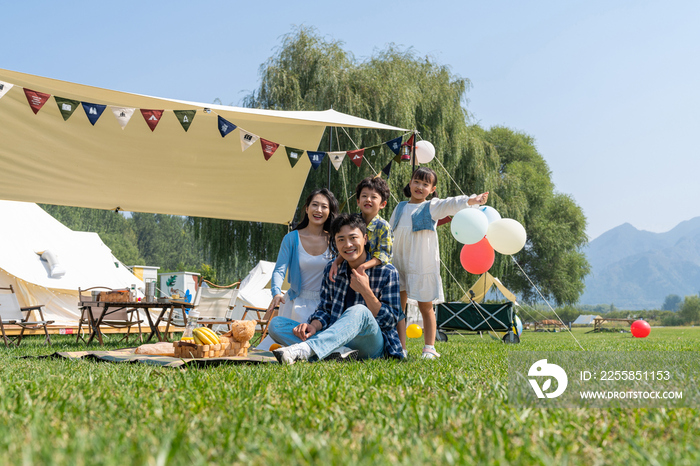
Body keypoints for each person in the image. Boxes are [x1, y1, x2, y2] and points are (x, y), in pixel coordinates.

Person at [268, 213, 403, 364]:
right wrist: (313, 325)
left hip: (371, 344)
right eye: (341, 240)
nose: (348, 245)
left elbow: (390, 322)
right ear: (335, 243)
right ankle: (338, 352)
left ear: (365, 239)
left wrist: (366, 290)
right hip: (337, 338)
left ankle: (306, 350)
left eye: (353, 238)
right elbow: (325, 310)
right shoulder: (332, 270)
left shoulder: (387, 272)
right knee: (276, 325)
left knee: (359, 310)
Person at [389, 167, 488, 359]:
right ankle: (400, 346)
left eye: (425, 184)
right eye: (416, 182)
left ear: (432, 189)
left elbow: (452, 203)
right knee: (398, 307)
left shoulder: (432, 206)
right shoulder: (399, 207)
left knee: (425, 306)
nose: (419, 187)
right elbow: (390, 231)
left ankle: (429, 347)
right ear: (410, 183)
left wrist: (472, 200)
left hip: (421, 263)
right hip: (399, 262)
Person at [255, 188, 338, 351]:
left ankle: (312, 347)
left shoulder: (335, 240)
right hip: (295, 303)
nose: (318, 210)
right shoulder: (292, 238)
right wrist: (276, 293)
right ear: (306, 208)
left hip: (325, 305)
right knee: (281, 335)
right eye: (314, 205)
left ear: (330, 212)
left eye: (324, 206)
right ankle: (315, 348)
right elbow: (279, 270)